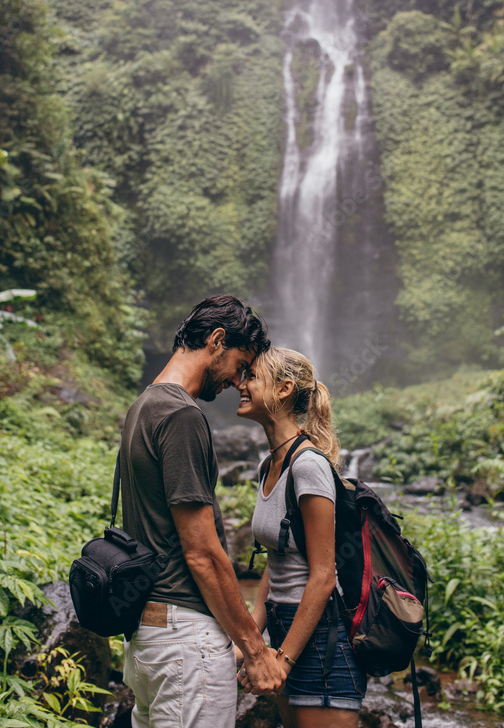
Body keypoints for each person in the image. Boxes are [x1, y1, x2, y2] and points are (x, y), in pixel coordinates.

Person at [119, 294, 286, 728]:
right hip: (184, 644)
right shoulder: (181, 415)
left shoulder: (142, 407)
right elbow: (202, 553)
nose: (238, 381)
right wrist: (254, 648)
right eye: (240, 364)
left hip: (147, 637)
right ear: (215, 340)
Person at [235, 346, 367, 727]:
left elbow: (324, 575)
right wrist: (252, 646)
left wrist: (284, 659)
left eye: (252, 377)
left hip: (320, 639)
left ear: (284, 389)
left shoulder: (307, 466)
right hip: (284, 628)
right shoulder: (269, 464)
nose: (240, 385)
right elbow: (275, 565)